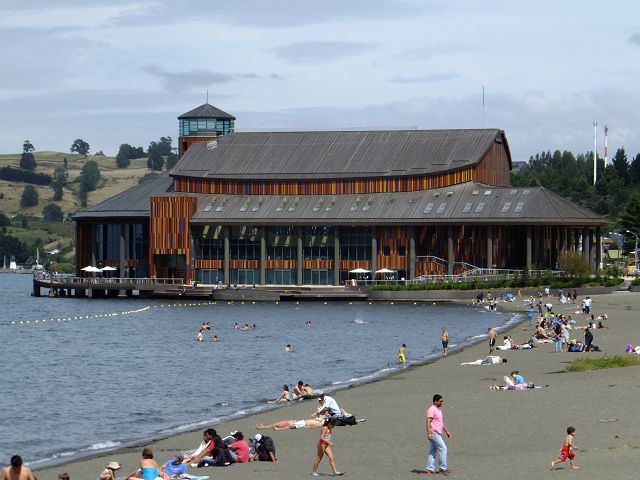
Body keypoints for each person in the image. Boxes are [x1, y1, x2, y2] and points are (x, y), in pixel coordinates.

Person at [424, 394, 451, 475]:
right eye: (440, 401)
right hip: (434, 433)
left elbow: (440, 423)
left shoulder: (438, 410)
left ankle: (429, 469)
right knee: (443, 448)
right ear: (435, 401)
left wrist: (446, 431)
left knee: (432, 451)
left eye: (442, 401)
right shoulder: (431, 409)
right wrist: (429, 433)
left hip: (437, 433)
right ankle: (442, 468)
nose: (442, 402)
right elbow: (428, 422)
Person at [256, 418, 326, 430]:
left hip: (299, 423)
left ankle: (262, 427)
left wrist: (308, 427)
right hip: (297, 422)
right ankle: (263, 426)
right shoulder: (321, 422)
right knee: (274, 424)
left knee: (274, 424)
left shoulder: (320, 424)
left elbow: (311, 426)